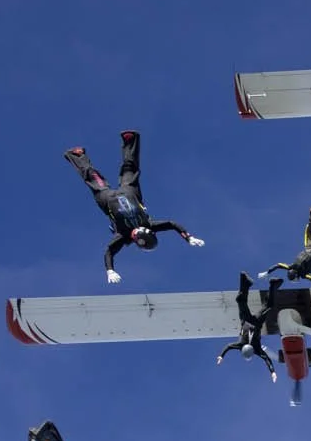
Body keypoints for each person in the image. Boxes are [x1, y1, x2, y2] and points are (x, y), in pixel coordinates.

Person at [66, 131, 205, 282]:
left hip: (107, 199)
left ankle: (77, 155)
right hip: (129, 192)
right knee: (130, 168)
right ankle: (130, 139)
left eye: (135, 236)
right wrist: (189, 237)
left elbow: (109, 252)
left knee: (93, 176)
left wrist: (110, 270)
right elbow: (172, 224)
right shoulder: (150, 225)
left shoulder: (123, 236)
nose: (134, 233)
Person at [216, 273, 278, 379]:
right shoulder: (257, 349)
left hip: (246, 319)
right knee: (268, 306)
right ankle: (273, 285)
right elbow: (266, 359)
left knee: (240, 300)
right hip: (255, 322)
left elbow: (228, 346)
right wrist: (272, 372)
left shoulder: (240, 345)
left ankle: (246, 280)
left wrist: (221, 356)